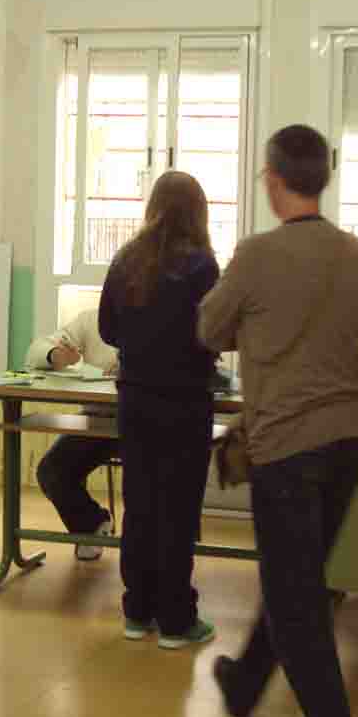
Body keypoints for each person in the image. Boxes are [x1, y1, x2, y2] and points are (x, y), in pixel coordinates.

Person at [199, 125, 358, 717]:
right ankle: (246, 683)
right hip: (346, 439)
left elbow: (208, 328)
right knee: (298, 580)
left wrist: (251, 322)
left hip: (287, 445)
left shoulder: (256, 254)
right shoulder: (354, 251)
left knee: (296, 598)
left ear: (273, 180)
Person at [97, 171, 220, 649]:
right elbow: (212, 333)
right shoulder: (202, 266)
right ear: (198, 212)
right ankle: (176, 620)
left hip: (136, 399)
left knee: (141, 506)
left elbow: (107, 330)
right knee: (178, 511)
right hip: (185, 401)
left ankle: (137, 611)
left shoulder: (127, 259)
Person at [24, 308, 119, 561]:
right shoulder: (92, 319)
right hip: (98, 421)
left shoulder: (166, 315)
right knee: (52, 471)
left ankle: (155, 553)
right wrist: (55, 355)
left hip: (149, 422)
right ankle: (92, 525)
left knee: (149, 481)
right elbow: (35, 351)